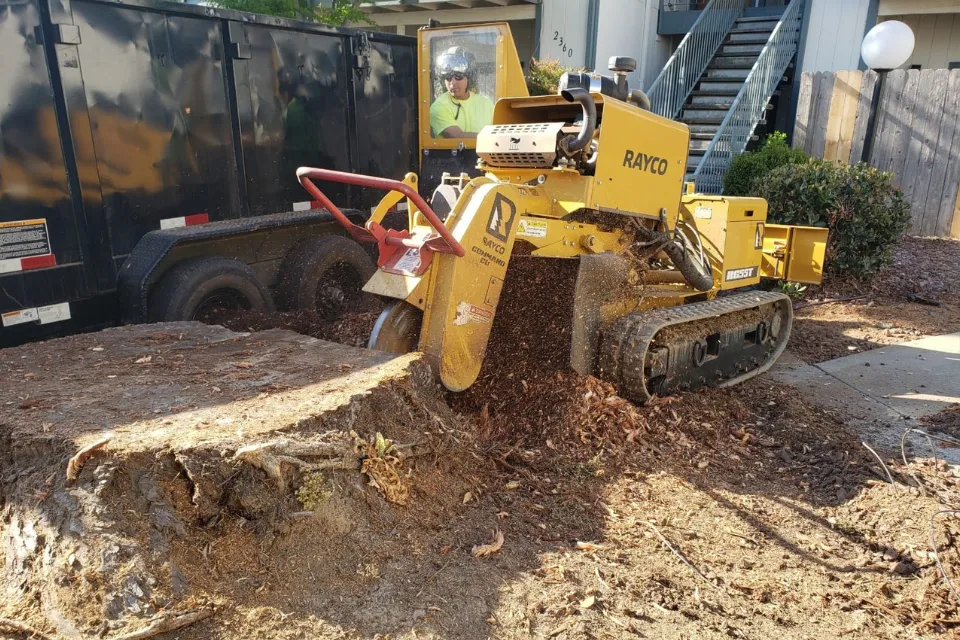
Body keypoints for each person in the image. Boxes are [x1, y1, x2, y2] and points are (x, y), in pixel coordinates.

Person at [429, 46, 494, 138]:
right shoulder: (438, 106)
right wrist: (493, 138)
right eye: (448, 77)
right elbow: (456, 137)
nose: (453, 83)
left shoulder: (487, 104)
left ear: (470, 78)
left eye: (458, 76)